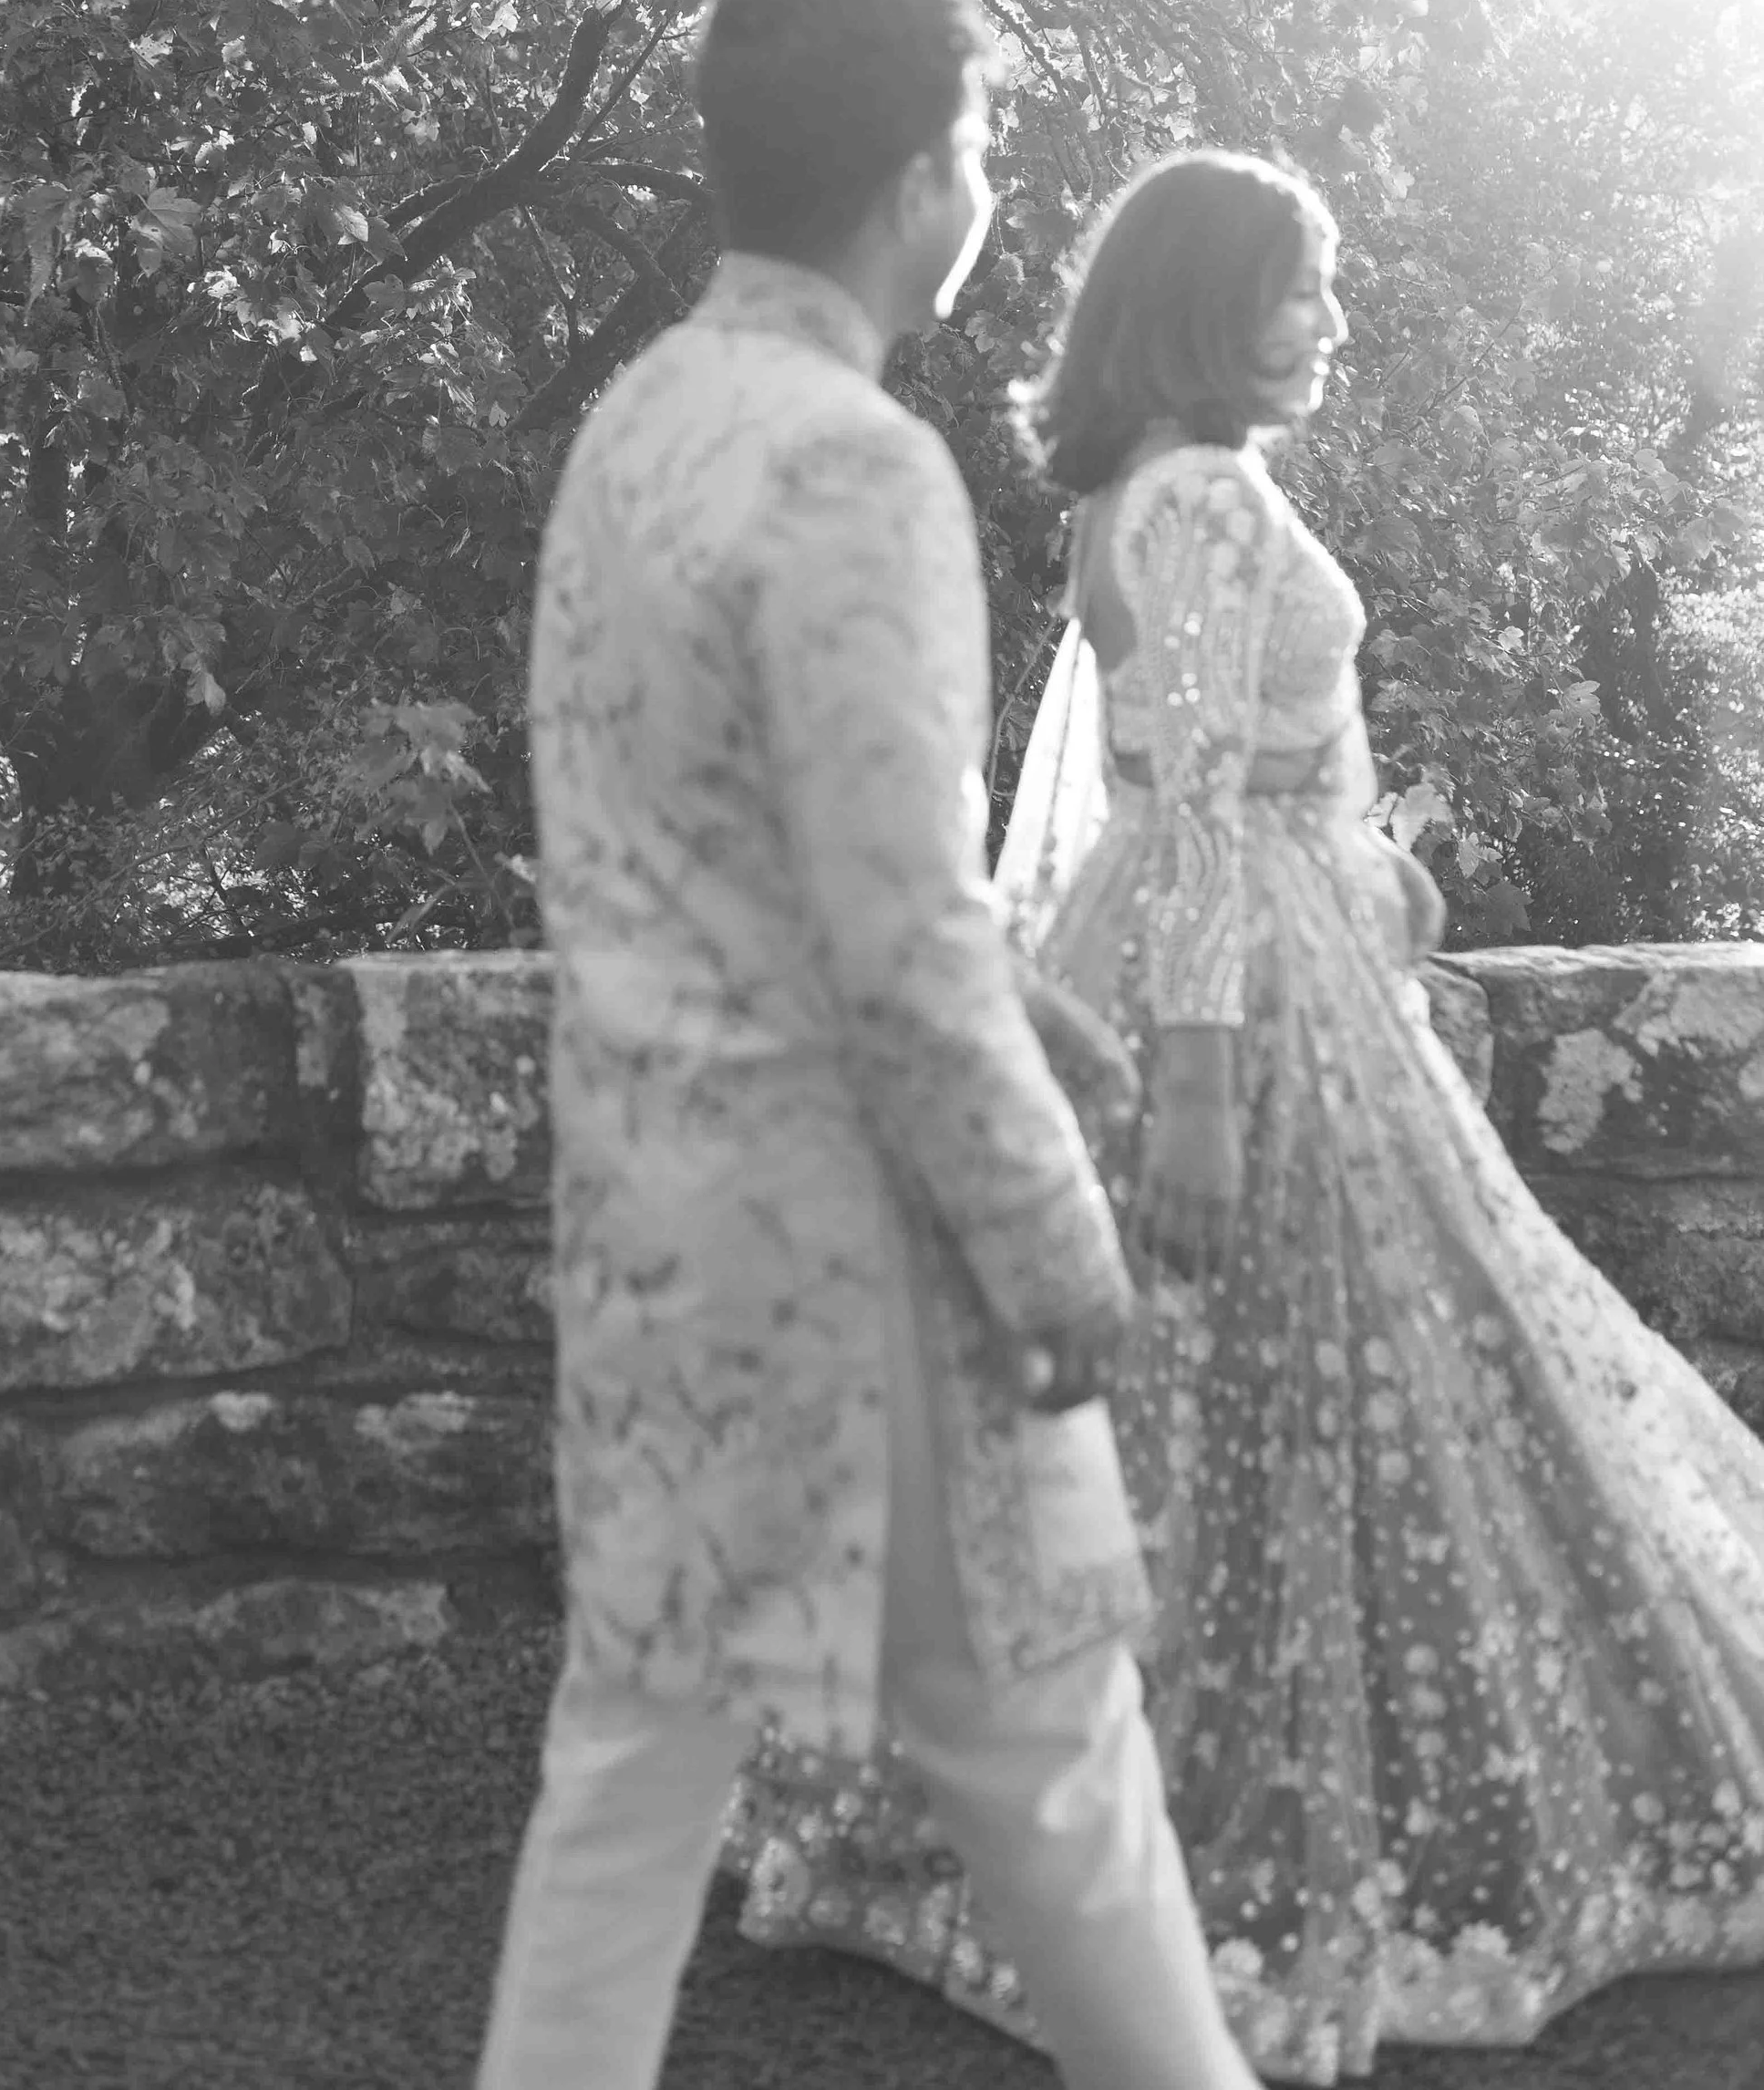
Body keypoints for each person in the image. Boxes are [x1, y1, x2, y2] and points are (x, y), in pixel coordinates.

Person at [728, 147, 1764, 2080]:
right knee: (1299, 1388)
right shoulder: (1195, 497)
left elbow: (1230, 775)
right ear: (1201, 301)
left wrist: (1368, 869)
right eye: (1297, 285)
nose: (1329, 318)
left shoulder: (1164, 484)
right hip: (1224, 1003)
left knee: (1216, 1415)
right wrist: (1195, 1090)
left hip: (1238, 947)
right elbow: (1188, 804)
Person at [477, 0, 1262, 2090]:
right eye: (987, 148)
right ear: (926, 176)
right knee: (1053, 1761)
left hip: (650, 1243)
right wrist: (1052, 1239)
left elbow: (724, 853)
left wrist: (1039, 1012)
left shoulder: (631, 424)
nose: (989, 186)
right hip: (853, 1260)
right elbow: (895, 935)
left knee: (631, 1771)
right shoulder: (855, 464)